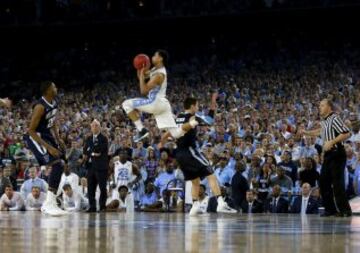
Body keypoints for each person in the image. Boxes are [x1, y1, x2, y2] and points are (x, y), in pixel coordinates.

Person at [161, 95, 237, 216]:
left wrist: (162, 143)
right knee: (211, 173)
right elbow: (210, 120)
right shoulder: (192, 117)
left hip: (179, 154)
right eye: (197, 105)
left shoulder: (178, 118)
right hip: (189, 151)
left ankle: (195, 205)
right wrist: (212, 101)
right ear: (192, 106)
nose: (198, 107)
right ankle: (220, 202)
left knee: (195, 181)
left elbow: (169, 133)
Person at [122, 50, 210, 143]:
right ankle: (196, 120)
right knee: (175, 133)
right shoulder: (155, 70)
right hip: (162, 105)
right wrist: (140, 68)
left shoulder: (159, 75)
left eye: (155, 55)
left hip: (154, 103)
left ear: (160, 58)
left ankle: (141, 130)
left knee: (126, 104)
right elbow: (142, 76)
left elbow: (143, 91)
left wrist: (141, 75)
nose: (152, 57)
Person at [302, 99, 352, 217]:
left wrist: (332, 141)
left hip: (337, 153)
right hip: (329, 155)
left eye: (322, 105)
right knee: (323, 181)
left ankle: (345, 210)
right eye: (319, 105)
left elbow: (346, 133)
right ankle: (330, 209)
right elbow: (321, 131)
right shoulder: (325, 121)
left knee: (337, 183)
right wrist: (307, 133)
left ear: (329, 107)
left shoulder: (334, 118)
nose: (319, 107)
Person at [23, 81, 67, 215]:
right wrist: (49, 147)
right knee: (57, 163)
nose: (56, 88)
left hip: (47, 135)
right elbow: (30, 130)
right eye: (54, 86)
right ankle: (49, 203)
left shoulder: (54, 103)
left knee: (62, 162)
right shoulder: (40, 106)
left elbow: (52, 122)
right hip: (35, 136)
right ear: (48, 90)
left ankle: (51, 201)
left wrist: (58, 139)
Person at [83, 119, 109, 212]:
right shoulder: (88, 138)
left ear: (100, 127)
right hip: (90, 167)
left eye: (96, 125)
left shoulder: (104, 138)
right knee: (90, 188)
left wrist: (91, 151)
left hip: (101, 167)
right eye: (93, 125)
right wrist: (92, 153)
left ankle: (102, 206)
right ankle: (92, 206)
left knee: (102, 188)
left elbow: (99, 150)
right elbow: (85, 151)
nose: (94, 127)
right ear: (90, 127)